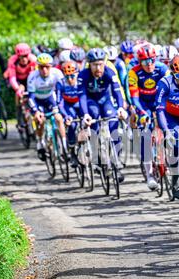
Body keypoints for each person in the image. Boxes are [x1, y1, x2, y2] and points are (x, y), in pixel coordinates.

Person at [77, 48, 128, 182]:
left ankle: (116, 162)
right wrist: (85, 114)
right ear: (89, 64)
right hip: (90, 102)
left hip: (106, 100)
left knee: (114, 127)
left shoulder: (109, 72)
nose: (98, 68)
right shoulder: (83, 75)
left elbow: (117, 91)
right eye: (94, 65)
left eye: (100, 64)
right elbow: (81, 96)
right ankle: (97, 158)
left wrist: (121, 108)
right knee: (94, 120)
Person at [128, 44, 170, 190]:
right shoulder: (134, 73)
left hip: (160, 101)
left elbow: (169, 91)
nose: (149, 64)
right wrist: (142, 113)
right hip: (143, 104)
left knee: (167, 126)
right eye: (145, 62)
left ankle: (169, 157)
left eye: (152, 60)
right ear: (140, 62)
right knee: (146, 136)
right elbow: (134, 97)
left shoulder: (162, 69)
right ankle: (150, 175)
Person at [155, 55, 179, 199]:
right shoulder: (164, 83)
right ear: (173, 74)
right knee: (177, 141)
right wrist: (166, 131)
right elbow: (160, 110)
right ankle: (176, 179)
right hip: (172, 118)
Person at [27, 53, 67, 161]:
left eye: (47, 67)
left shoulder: (57, 73)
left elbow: (61, 90)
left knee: (58, 118)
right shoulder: (32, 77)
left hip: (50, 98)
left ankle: (64, 147)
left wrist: (58, 105)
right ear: (37, 67)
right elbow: (31, 97)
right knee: (40, 120)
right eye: (41, 67)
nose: (44, 70)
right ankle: (40, 142)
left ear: (51, 67)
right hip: (37, 100)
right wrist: (35, 111)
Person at [6, 43, 37, 129]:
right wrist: (17, 89)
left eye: (26, 56)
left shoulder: (33, 60)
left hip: (29, 78)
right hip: (18, 80)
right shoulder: (12, 61)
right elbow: (12, 77)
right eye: (21, 56)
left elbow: (35, 75)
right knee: (18, 95)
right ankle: (19, 117)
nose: (24, 59)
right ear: (17, 56)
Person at [57, 60, 81, 168]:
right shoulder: (60, 83)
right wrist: (66, 116)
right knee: (72, 124)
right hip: (68, 105)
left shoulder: (81, 80)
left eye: (72, 76)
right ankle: (72, 152)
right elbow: (60, 103)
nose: (70, 79)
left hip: (80, 103)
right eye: (67, 77)